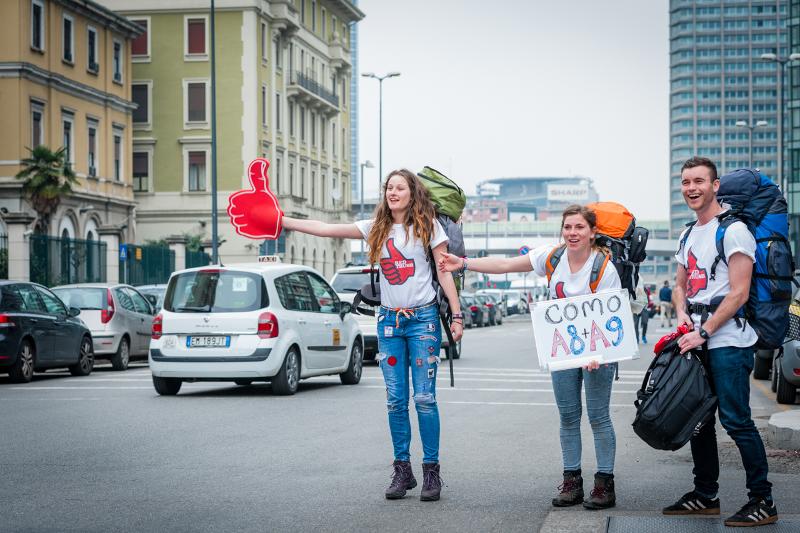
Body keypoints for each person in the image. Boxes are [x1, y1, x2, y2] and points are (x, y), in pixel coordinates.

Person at [282, 168, 463, 502]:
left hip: (423, 321)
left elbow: (444, 271)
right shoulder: (375, 228)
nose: (392, 193)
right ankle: (402, 470)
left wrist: (457, 313)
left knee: (424, 398)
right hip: (390, 323)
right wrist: (284, 221)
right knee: (396, 400)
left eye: (400, 188)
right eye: (389, 188)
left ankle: (432, 471)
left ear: (413, 193)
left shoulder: (429, 227)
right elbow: (325, 229)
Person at [439, 204, 621, 510]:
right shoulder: (552, 257)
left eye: (579, 228)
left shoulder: (604, 268)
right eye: (568, 227)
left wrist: (599, 354)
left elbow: (611, 317)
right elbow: (507, 264)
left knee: (598, 416)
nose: (573, 233)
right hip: (562, 349)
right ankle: (572, 482)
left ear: (592, 233)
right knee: (568, 416)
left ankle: (604, 484)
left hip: (597, 352)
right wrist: (464, 263)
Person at [663, 156, 777, 527]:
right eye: (685, 182)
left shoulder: (734, 231)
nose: (691, 188)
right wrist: (682, 315)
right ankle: (705, 494)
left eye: (698, 181)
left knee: (736, 420)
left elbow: (739, 293)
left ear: (715, 186)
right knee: (699, 421)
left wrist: (705, 330)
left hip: (727, 340)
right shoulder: (686, 234)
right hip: (696, 339)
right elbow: (680, 285)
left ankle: (763, 500)